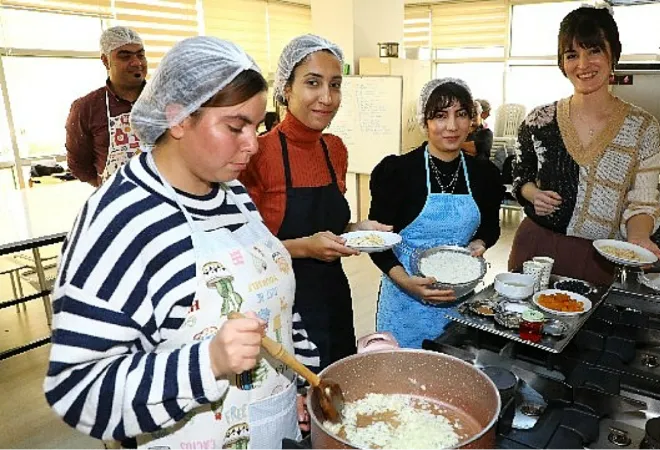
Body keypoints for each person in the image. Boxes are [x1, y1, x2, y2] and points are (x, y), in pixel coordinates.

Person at [44, 36, 320, 450]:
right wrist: (207, 363)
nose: (253, 143)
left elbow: (279, 305)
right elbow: (79, 389)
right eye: (235, 126)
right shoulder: (123, 221)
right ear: (177, 118)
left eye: (257, 125)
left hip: (275, 426)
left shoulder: (234, 195)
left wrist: (303, 384)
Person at [240, 34, 390, 369]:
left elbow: (330, 226)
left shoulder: (334, 148)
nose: (326, 97)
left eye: (335, 85)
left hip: (334, 292)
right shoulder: (258, 153)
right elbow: (243, 249)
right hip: (280, 299)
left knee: (336, 383)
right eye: (312, 83)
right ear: (286, 88)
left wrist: (356, 229)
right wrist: (305, 248)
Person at [508, 6, 660, 286]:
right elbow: (520, 175)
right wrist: (532, 194)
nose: (583, 64)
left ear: (612, 53)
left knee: (589, 327)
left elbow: (643, 201)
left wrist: (639, 237)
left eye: (593, 50)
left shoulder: (643, 127)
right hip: (536, 247)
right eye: (571, 55)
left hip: (601, 256)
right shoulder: (539, 120)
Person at [370, 78, 504, 348]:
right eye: (440, 116)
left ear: (472, 120)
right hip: (403, 302)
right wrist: (406, 282)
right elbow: (377, 241)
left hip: (460, 300)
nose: (452, 126)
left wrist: (479, 243)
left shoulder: (484, 175)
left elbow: (490, 227)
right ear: (425, 122)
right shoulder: (398, 173)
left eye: (461, 114)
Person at [65, 26, 147, 187]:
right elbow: (78, 164)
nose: (136, 62)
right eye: (125, 56)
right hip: (118, 203)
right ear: (105, 61)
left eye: (141, 55)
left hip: (168, 199)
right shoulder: (86, 108)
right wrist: (109, 189)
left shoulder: (164, 98)